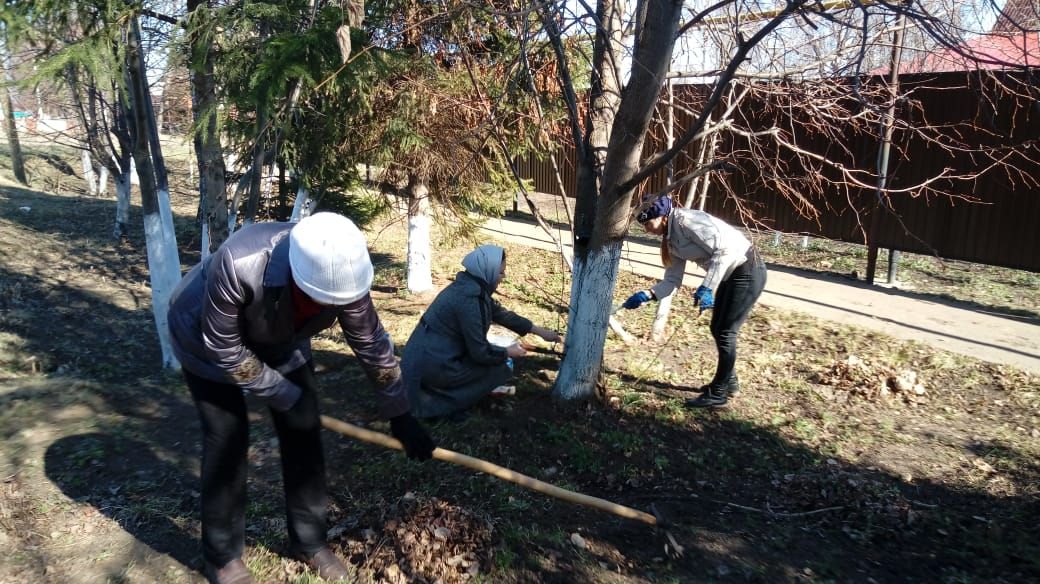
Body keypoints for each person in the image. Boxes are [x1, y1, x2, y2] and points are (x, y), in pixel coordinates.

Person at [168, 212, 435, 584]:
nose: (335, 306)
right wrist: (281, 393)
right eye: (324, 299)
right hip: (205, 339)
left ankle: (309, 542)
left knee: (305, 433)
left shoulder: (343, 269)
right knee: (227, 437)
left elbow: (373, 345)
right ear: (299, 276)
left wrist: (400, 411)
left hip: (281, 337)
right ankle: (223, 558)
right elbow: (225, 349)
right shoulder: (240, 261)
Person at [621, 196, 767, 408]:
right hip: (730, 274)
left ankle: (718, 394)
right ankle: (729, 382)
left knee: (726, 332)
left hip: (747, 270)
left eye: (648, 224)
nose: (647, 230)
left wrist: (707, 287)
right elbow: (672, 281)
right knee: (718, 328)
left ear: (662, 217)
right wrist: (648, 295)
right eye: (643, 225)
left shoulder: (687, 221)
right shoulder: (670, 239)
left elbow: (725, 251)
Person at [401, 244, 562, 419]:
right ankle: (444, 406)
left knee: (494, 357)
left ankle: (438, 391)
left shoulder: (468, 285)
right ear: (488, 271)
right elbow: (480, 352)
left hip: (425, 357)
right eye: (501, 272)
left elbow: (500, 313)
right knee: (501, 368)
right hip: (433, 365)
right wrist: (508, 352)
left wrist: (539, 331)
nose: (504, 276)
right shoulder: (470, 300)